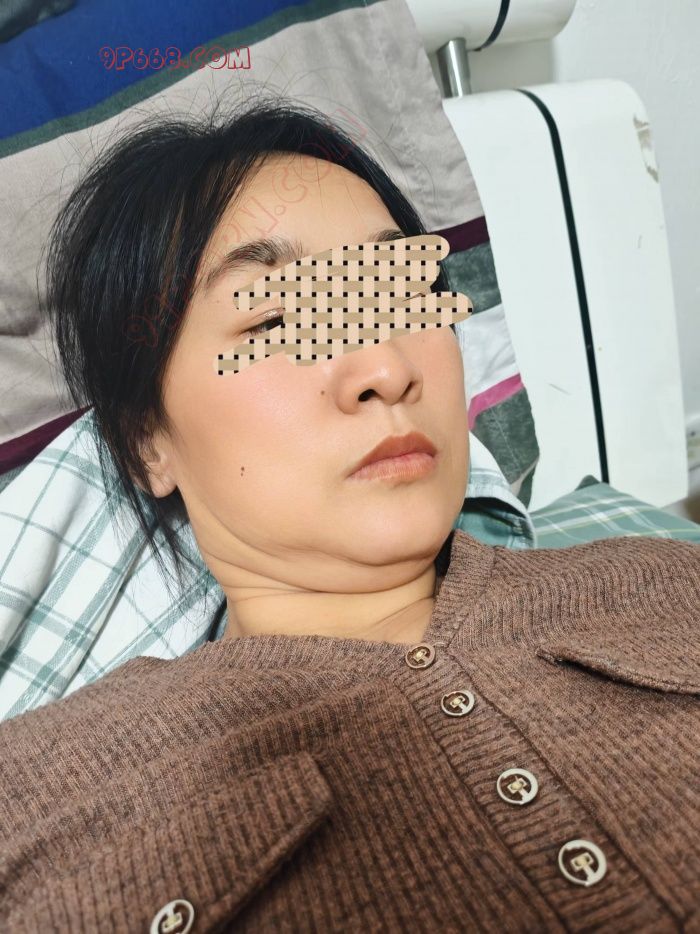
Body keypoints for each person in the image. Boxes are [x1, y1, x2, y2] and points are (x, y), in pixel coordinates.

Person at [0, 95, 698, 933]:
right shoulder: (36, 790)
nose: (383, 367)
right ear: (147, 439)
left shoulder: (665, 580)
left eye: (403, 295)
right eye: (275, 318)